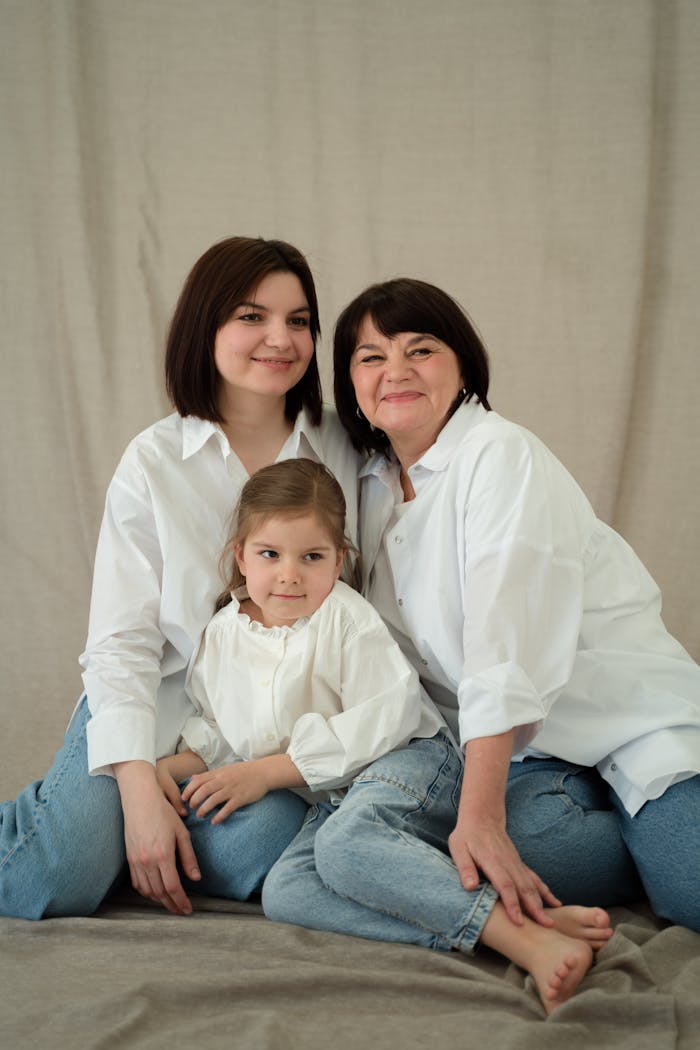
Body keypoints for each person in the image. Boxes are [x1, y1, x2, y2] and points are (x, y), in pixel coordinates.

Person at [321, 276, 699, 933]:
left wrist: (481, 817)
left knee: (688, 891)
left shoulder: (500, 456)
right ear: (349, 382)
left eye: (422, 349)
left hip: (625, 725)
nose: (397, 371)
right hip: (532, 759)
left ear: (464, 365)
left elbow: (502, 649)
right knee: (437, 857)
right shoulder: (370, 483)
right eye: (372, 357)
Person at [165, 456, 607, 1015]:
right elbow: (215, 729)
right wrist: (170, 768)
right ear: (241, 555)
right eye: (270, 555)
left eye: (312, 557)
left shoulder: (345, 617)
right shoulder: (223, 634)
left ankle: (521, 941)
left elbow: (386, 717)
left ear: (340, 560)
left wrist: (268, 772)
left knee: (346, 843)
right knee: (288, 892)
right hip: (334, 797)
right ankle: (501, 921)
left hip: (409, 763)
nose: (289, 575)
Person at [0, 236, 360, 920]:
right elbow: (121, 645)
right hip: (159, 712)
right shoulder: (155, 460)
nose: (279, 338)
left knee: (270, 841)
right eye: (252, 317)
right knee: (59, 878)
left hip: (263, 736)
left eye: (299, 321)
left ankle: (141, 846)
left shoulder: (346, 447)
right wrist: (137, 792)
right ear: (207, 327)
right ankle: (75, 825)